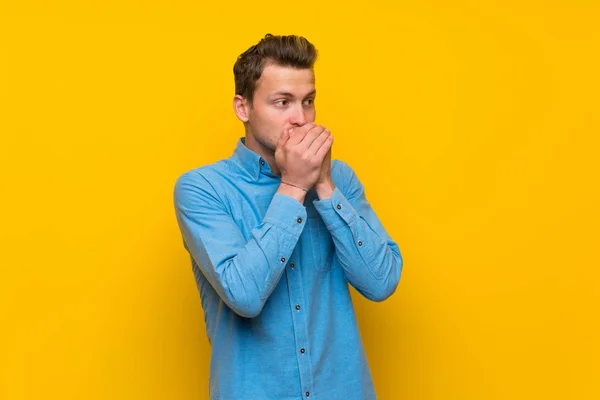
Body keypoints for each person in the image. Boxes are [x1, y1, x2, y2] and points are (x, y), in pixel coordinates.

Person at [173, 33, 403, 400]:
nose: (300, 118)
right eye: (282, 102)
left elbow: (382, 282)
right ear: (243, 108)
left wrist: (324, 186)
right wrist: (295, 186)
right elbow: (244, 295)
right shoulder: (203, 189)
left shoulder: (340, 179)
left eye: (307, 102)